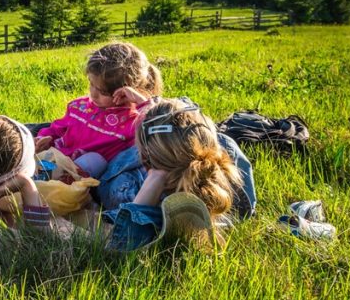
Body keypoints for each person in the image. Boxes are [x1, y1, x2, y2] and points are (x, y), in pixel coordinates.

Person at [104, 99, 257, 250]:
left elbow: (120, 246)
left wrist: (155, 180)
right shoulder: (237, 191)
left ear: (144, 160)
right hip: (174, 147)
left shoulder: (130, 188)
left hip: (147, 159)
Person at [34, 42, 163, 178]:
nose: (93, 94)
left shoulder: (132, 122)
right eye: (91, 83)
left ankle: (50, 181)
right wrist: (45, 138)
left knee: (94, 160)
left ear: (126, 91)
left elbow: (158, 133)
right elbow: (56, 128)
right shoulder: (79, 106)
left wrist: (142, 102)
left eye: (103, 92)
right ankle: (34, 177)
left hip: (82, 177)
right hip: (55, 160)